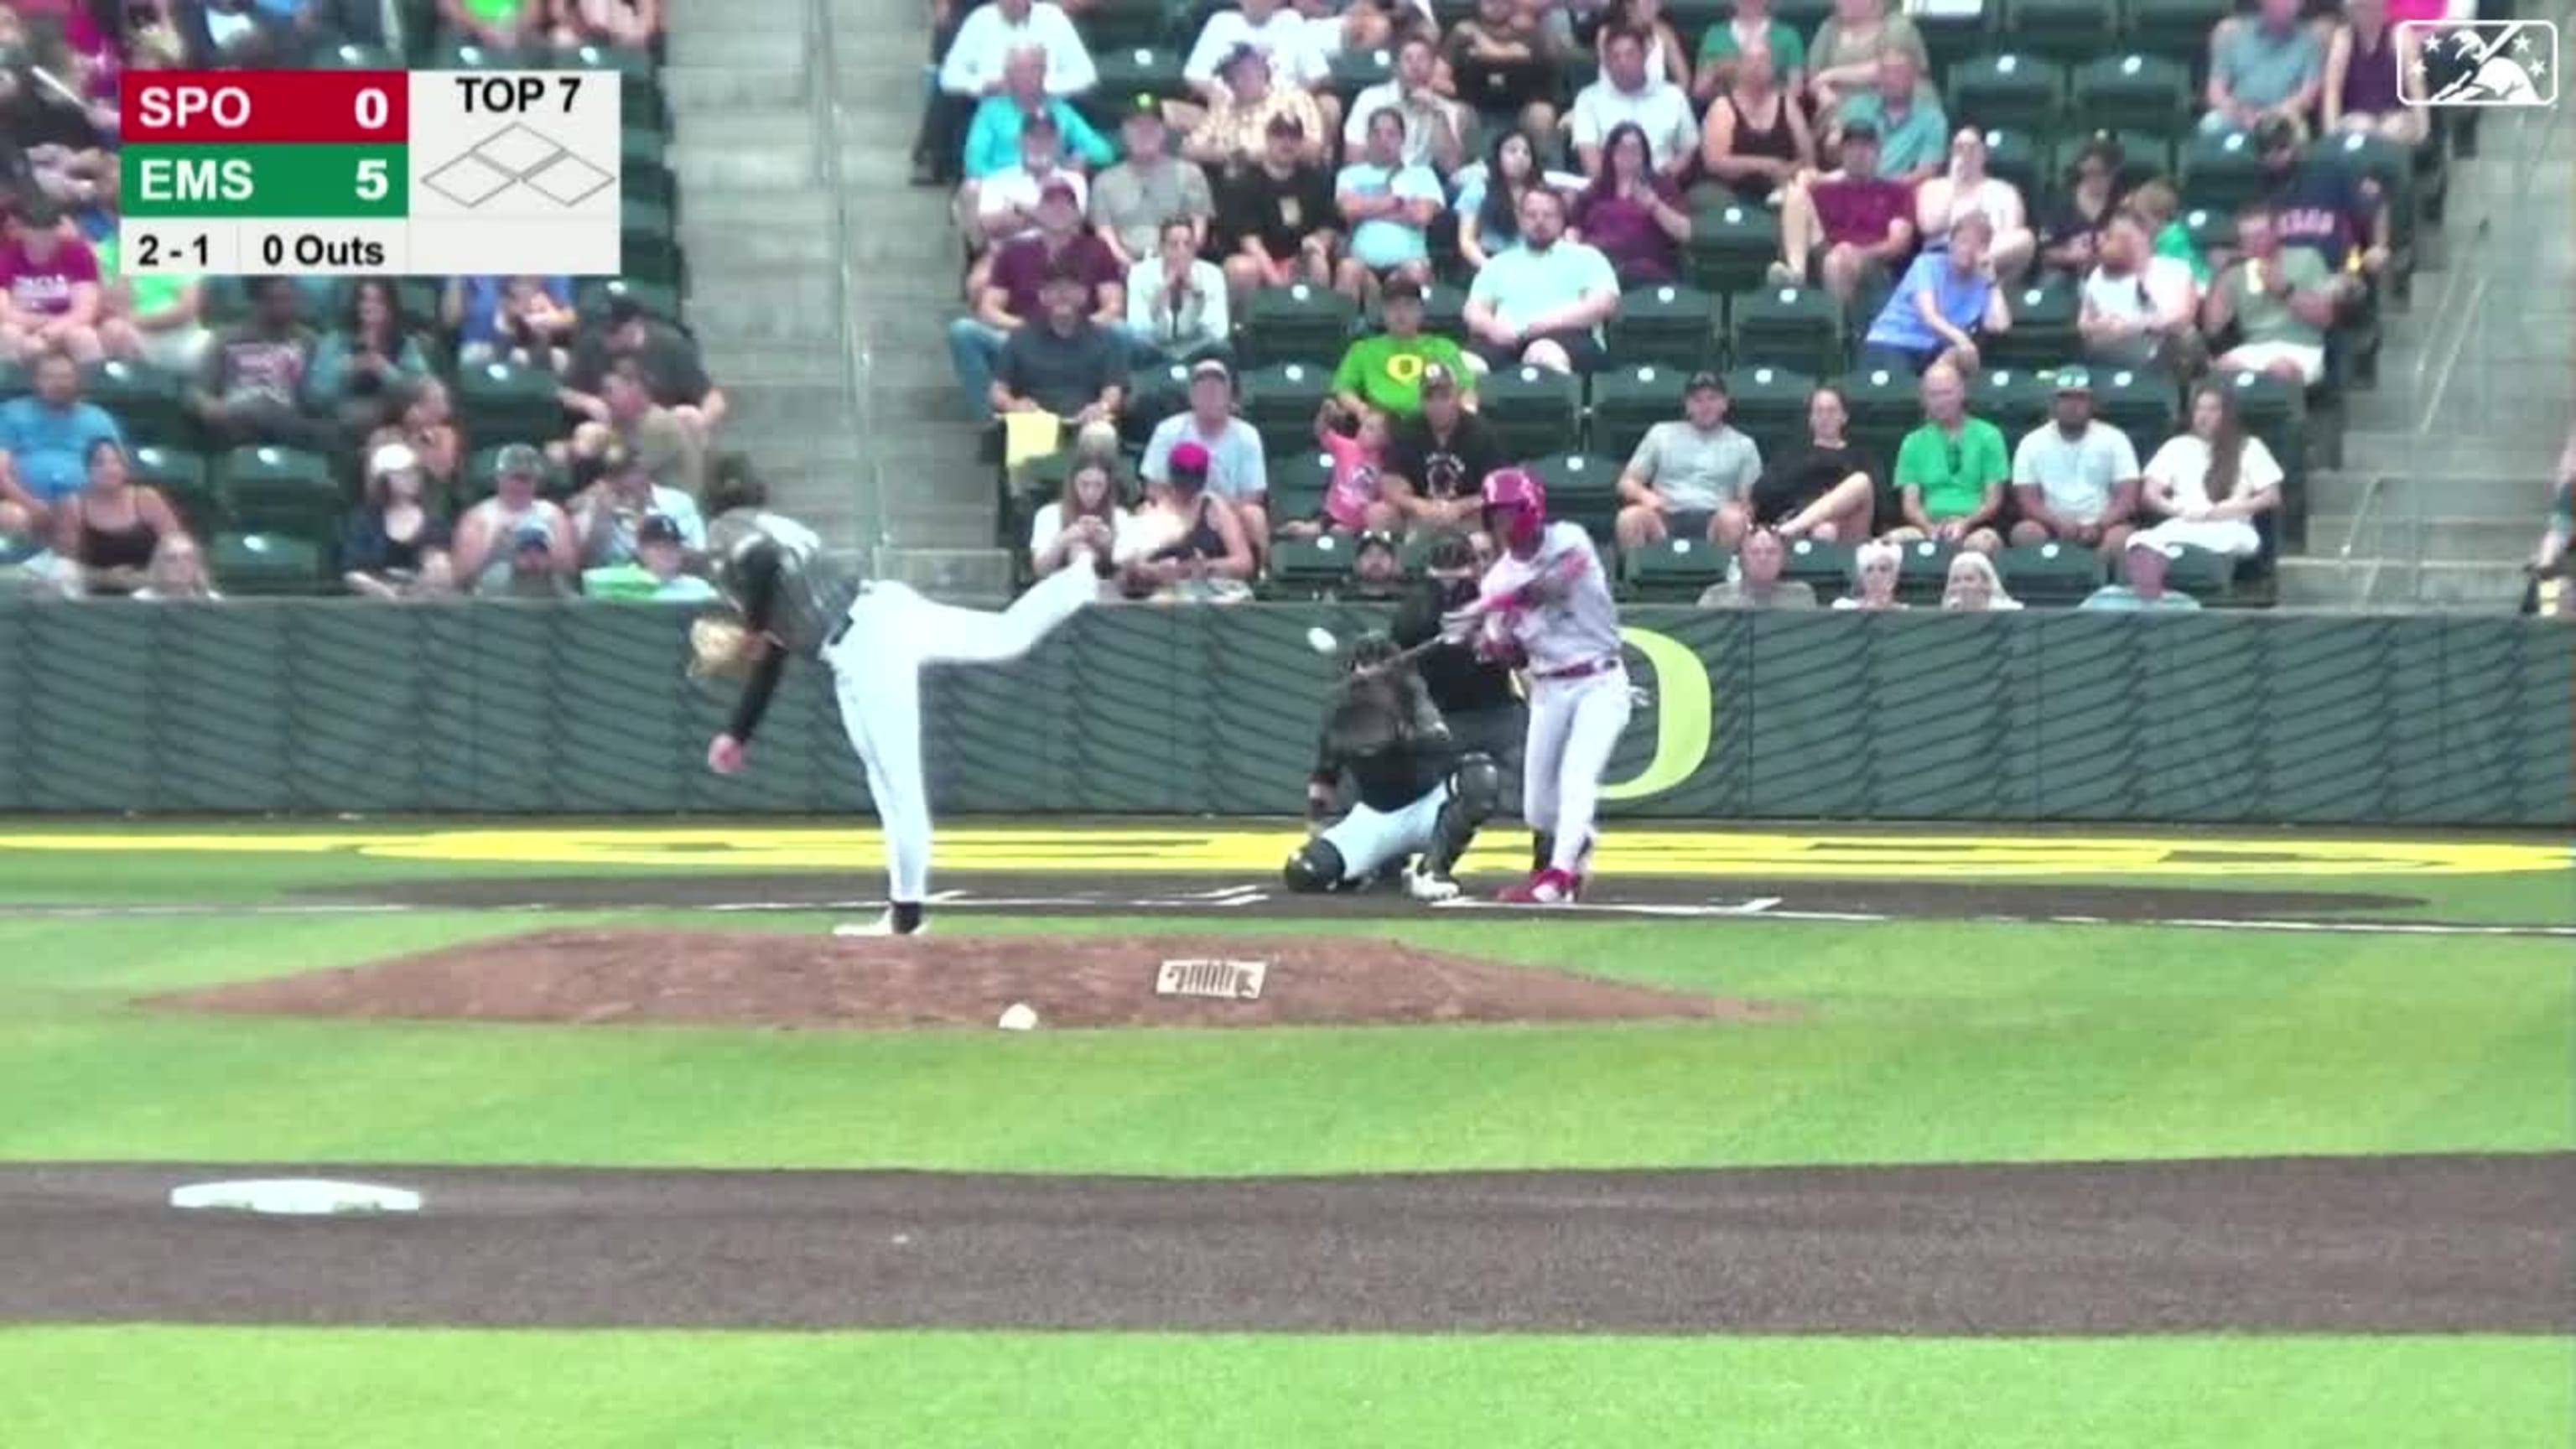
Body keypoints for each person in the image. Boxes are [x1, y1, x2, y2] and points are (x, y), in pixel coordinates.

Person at [698, 470, 1111, 938]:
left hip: (866, 645)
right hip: (880, 611)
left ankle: (907, 920)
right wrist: (740, 730)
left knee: (898, 793)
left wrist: (750, 629)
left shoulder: (728, 530)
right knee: (1004, 635)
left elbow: (762, 565)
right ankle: (1081, 576)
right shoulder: (775, 523)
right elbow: (774, 641)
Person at [1456, 467, 1628, 905]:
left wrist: (1500, 603)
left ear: (1532, 510)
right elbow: (1510, 653)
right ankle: (1577, 842)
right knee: (1536, 806)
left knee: (1577, 777)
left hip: (1599, 679)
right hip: (1549, 688)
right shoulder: (1496, 578)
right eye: (1496, 517)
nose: (1504, 525)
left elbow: (1552, 582)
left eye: (1511, 514)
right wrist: (1493, 642)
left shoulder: (1568, 538)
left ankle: (1558, 877)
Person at [1282, 631, 1501, 901]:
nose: (1374, 670)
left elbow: (1442, 744)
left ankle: (1433, 870)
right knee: (1304, 872)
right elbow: (1325, 772)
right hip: (1377, 817)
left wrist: (1401, 735)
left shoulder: (1412, 694)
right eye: (1366, 663)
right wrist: (1316, 819)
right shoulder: (1342, 708)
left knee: (1481, 776)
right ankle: (1377, 867)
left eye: (1381, 662)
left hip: (1429, 810)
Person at [1391, 531, 1524, 772]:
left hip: (1497, 711)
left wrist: (1495, 642)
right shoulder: (1413, 609)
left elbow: (1522, 657)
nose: (1450, 585)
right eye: (1443, 574)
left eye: (1458, 570)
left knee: (1528, 767)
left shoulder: (1494, 601)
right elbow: (1400, 668)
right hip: (1443, 716)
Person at [1462, 189, 1622, 374]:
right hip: (1504, 338)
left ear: (1562, 219)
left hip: (1568, 336)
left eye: (1548, 215)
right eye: (1531, 215)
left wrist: (1547, 324)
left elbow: (1604, 304)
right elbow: (1473, 310)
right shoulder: (1498, 263)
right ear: (1520, 219)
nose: (1539, 221)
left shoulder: (1587, 257)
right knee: (1464, 366)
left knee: (1543, 356)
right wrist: (1492, 328)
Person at [2200, 205, 2350, 387]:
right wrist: (2218, 275)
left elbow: (2325, 317)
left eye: (2259, 235)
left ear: (2276, 232)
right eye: (2246, 238)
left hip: (2302, 347)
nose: (2253, 242)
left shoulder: (2306, 258)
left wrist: (2285, 290)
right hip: (2254, 347)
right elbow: (2213, 327)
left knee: (2279, 369)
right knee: (2222, 369)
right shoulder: (2236, 269)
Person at [1770, 123, 1916, 307]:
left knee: (1838, 260)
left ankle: (1837, 329)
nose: (1858, 154)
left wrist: (1856, 253)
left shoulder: (1897, 192)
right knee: (1795, 193)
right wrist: (1808, 177)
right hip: (1826, 253)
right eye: (1851, 147)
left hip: (1873, 265)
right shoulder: (1823, 190)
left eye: (1866, 147)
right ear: (1842, 154)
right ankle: (1796, 275)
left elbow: (1898, 244)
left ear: (1878, 153)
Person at [1613, 369, 1761, 549]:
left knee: (1734, 518)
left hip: (1714, 520)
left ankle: (1726, 575)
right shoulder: (1661, 433)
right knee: (1629, 518)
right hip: (1665, 516)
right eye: (1697, 400)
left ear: (1725, 403)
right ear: (1687, 405)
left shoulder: (1744, 445)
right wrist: (1646, 496)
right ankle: (1634, 575)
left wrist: (1737, 510)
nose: (1705, 406)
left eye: (1712, 398)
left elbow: (1748, 503)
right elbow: (1627, 482)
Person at [2007, 368, 2142, 562]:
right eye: (2065, 398)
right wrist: (2057, 523)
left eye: (2080, 398)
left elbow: (2127, 498)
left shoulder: (2115, 438)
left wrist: (2099, 525)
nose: (2073, 405)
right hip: (2050, 525)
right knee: (2024, 532)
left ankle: (2101, 583)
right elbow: (2027, 501)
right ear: (2053, 404)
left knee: (2124, 539)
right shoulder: (2031, 442)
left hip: (2104, 525)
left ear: (2092, 403)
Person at [2134, 382, 2282, 559]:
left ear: (2227, 414)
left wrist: (2234, 508)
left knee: (2209, 546)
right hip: (2185, 522)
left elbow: (2272, 496)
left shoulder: (2250, 446)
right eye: (2199, 409)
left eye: (2212, 410)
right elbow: (2150, 494)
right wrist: (2177, 509)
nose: (2204, 416)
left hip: (2231, 525)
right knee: (2140, 542)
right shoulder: (2177, 446)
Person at [1859, 212, 2009, 375]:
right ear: (1951, 243)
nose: (1969, 249)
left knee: (1963, 357)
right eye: (1963, 242)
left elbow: (1999, 326)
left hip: (1936, 349)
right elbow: (1929, 316)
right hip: (1895, 340)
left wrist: (1992, 283)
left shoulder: (1982, 281)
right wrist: (1962, 340)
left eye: (1978, 245)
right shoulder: (1927, 264)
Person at [1884, 361, 2006, 554]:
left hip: (1976, 526)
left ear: (1962, 393)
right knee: (1886, 545)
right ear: (1924, 399)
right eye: (1934, 395)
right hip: (1928, 526)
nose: (1940, 401)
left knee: (1981, 544)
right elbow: (1910, 504)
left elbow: (1993, 500)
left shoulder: (1989, 435)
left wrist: (1966, 523)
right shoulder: (1912, 442)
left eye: (1947, 393)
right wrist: (1929, 528)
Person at [50, 439, 184, 598]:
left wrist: (149, 578)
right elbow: (66, 565)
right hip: (92, 592)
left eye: (116, 462)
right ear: (88, 470)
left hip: (153, 589)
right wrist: (105, 578)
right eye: (100, 463)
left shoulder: (147, 498)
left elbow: (180, 549)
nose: (110, 469)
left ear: (126, 468)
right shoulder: (73, 505)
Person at [2079, 208, 2205, 377]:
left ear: (2144, 237)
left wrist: (2136, 326)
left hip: (2163, 345)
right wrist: (2099, 326)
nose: (2115, 244)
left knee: (2187, 338)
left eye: (2124, 238)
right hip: (2115, 347)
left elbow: (2182, 317)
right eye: (2112, 238)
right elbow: (2084, 323)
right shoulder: (2100, 275)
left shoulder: (2176, 270)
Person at [1382, 363, 1507, 532]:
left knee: (1498, 515)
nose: (1437, 405)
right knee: (1379, 513)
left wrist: (1460, 507)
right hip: (1420, 516)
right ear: (1421, 401)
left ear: (1456, 397)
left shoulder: (1480, 432)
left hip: (1468, 516)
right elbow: (1390, 483)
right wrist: (1418, 505)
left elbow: (1497, 488)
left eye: (1444, 397)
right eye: (1430, 398)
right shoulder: (1409, 429)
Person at [1332, 276, 1474, 418]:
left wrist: (1468, 415)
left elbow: (1466, 388)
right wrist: (1360, 409)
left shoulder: (1444, 348)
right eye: (1392, 306)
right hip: (1383, 424)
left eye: (1409, 305)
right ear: (1383, 311)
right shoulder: (1363, 350)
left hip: (1432, 423)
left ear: (1421, 311)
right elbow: (1343, 388)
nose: (1400, 313)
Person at [1750, 383, 1877, 543]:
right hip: (1801, 526)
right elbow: (1761, 492)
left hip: (1850, 529)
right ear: (1810, 418)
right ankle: (1792, 529)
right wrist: (1807, 468)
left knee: (1861, 481)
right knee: (1824, 531)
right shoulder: (1793, 454)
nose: (1825, 417)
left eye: (1831, 411)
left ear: (1844, 417)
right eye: (1819, 411)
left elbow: (1879, 504)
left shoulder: (1862, 455)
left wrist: (1836, 504)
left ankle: (1786, 531)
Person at [1571, 122, 1692, 285]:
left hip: (1647, 272)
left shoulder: (1661, 186)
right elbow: (1575, 230)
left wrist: (1655, 206)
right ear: (1611, 153)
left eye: (1635, 149)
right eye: (1622, 149)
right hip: (1600, 271)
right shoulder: (1595, 190)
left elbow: (1685, 232)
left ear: (1644, 154)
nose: (1628, 155)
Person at [1696, 44, 1813, 206]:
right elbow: (1714, 162)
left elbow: (1808, 159)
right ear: (1739, 66)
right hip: (1730, 190)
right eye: (1749, 60)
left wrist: (1789, 170)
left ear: (1773, 67)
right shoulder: (1723, 106)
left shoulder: (1787, 105)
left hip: (1780, 190)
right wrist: (1766, 165)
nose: (1756, 66)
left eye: (1763, 60)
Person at [1913, 128, 2036, 283]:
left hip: (1988, 262)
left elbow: (2011, 237)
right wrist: (1954, 183)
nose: (1965, 153)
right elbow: (1930, 226)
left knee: (2025, 238)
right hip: (1944, 261)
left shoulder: (2005, 191)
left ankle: (1972, 270)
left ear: (1983, 153)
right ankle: (1964, 267)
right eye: (1959, 148)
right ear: (1951, 153)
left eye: (1972, 147)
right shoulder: (1933, 187)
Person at [2323, 0, 2427, 146]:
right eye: (2362, 8)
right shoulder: (2343, 39)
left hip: (2396, 117)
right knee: (2361, 127)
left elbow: (2416, 86)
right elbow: (2332, 91)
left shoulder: (2400, 35)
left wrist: (2423, 130)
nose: (2369, 13)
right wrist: (2331, 134)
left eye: (2374, 6)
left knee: (2393, 128)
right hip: (2357, 118)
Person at [1696, 524, 1817, 608]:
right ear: (1741, 559)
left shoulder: (1800, 596)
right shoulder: (1716, 597)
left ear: (1783, 559)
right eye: (1755, 552)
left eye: (1772, 552)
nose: (1763, 558)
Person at [2081, 536, 2203, 610]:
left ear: (2163, 564)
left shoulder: (2183, 605)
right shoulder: (2106, 598)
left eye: (2144, 559)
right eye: (2133, 559)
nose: (2137, 565)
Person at [1832, 538, 1905, 609]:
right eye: (1869, 570)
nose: (1875, 576)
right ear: (1862, 577)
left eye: (1883, 569)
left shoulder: (1905, 612)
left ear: (1894, 578)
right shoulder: (1843, 607)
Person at [1940, 551, 2020, 610]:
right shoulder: (1945, 616)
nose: (1962, 586)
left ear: (1987, 584)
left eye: (1969, 579)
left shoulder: (2013, 613)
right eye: (1956, 581)